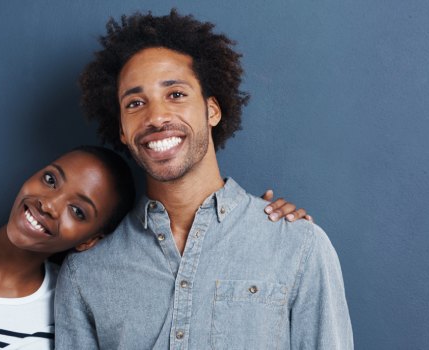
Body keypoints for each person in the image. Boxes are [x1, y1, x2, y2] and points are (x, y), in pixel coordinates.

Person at [55, 10, 353, 349]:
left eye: (176, 94)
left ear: (212, 110)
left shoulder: (298, 246)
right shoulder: (85, 275)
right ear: (122, 130)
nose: (156, 117)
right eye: (135, 103)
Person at [0, 145, 309, 349]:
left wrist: (254, 224)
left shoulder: (68, 297)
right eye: (51, 179)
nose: (48, 204)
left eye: (78, 210)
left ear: (90, 240)